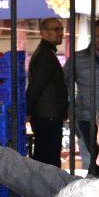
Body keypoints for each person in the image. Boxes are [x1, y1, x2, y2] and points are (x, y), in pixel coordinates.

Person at [62, 18, 99, 168]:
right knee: (93, 160)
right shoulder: (78, 58)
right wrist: (71, 107)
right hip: (86, 117)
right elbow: (64, 83)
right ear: (92, 35)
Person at [26, 17, 67, 167]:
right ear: (43, 32)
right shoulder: (45, 55)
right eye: (56, 29)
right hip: (47, 116)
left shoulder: (46, 53)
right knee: (48, 159)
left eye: (61, 29)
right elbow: (36, 86)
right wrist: (27, 111)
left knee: (46, 156)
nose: (61, 33)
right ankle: (46, 190)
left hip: (47, 114)